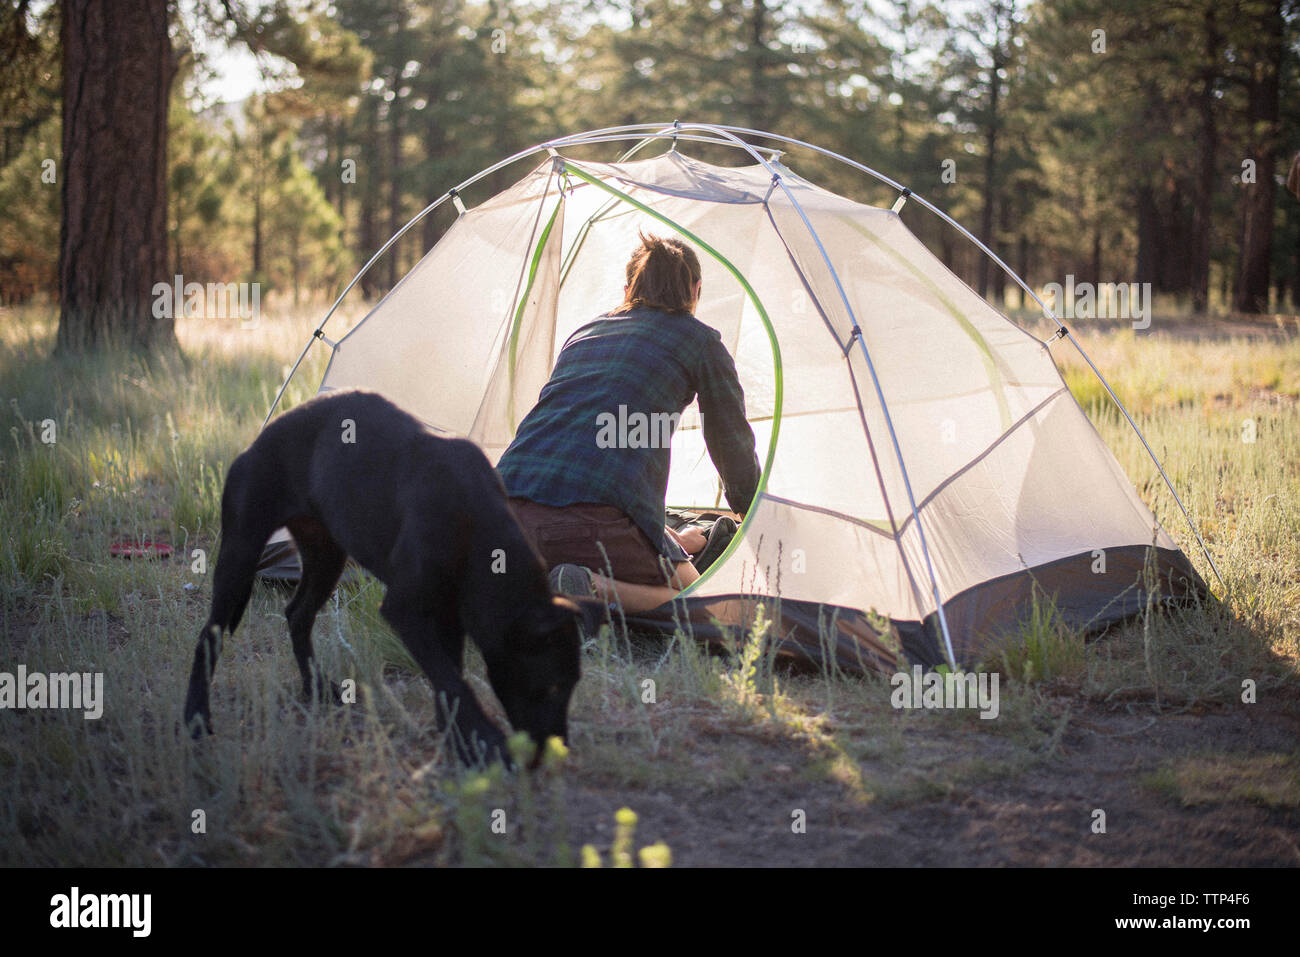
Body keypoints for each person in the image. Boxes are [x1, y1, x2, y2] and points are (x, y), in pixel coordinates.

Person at [497, 231, 760, 613]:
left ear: (627, 290)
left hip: (501, 510)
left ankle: (529, 581)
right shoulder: (700, 341)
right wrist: (754, 513)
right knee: (704, 601)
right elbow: (730, 442)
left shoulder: (585, 333)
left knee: (645, 526)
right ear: (696, 290)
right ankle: (591, 586)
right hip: (595, 522)